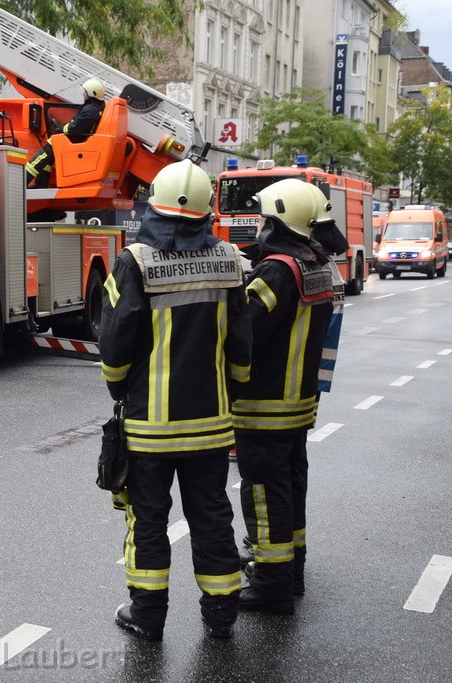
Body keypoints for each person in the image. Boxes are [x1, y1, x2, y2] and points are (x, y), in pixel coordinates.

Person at [99, 159, 252, 641]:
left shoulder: (135, 261)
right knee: (212, 516)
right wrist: (234, 389)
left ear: (155, 208)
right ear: (207, 212)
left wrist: (119, 388)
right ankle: (222, 614)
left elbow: (116, 343)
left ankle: (147, 616)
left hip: (149, 427)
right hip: (211, 424)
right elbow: (242, 347)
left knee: (148, 521)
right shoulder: (231, 262)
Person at [231, 179, 348, 615]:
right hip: (298, 403)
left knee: (263, 493)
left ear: (281, 220)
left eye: (265, 218)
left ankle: (272, 583)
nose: (259, 227)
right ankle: (292, 568)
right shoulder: (315, 263)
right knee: (290, 486)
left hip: (265, 406)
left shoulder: (278, 271)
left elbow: (244, 330)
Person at [25, 77, 107, 188]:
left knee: (44, 154)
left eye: (85, 92)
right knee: (49, 155)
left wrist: (61, 129)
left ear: (91, 93)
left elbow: (75, 128)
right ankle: (40, 183)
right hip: (79, 140)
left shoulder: (90, 110)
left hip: (74, 141)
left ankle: (22, 181)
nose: (83, 94)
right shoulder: (95, 108)